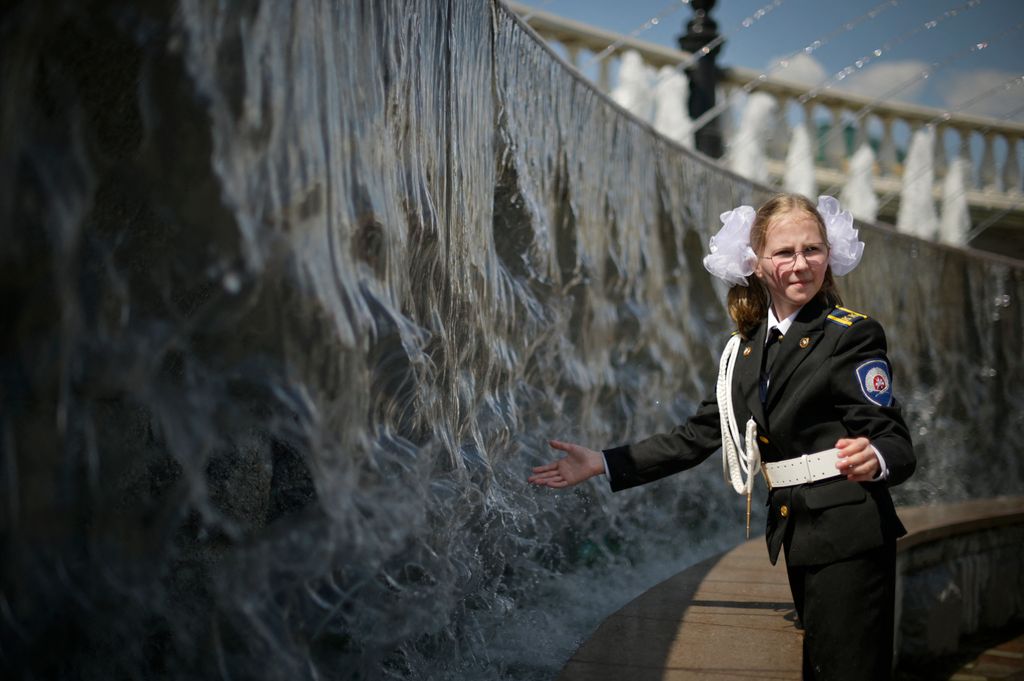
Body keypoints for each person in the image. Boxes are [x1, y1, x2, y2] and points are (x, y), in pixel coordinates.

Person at [528, 193, 915, 681]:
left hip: (851, 533)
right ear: (755, 263)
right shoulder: (745, 349)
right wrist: (603, 462)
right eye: (785, 253)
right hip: (800, 531)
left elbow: (895, 441)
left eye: (813, 250)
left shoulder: (849, 334)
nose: (801, 265)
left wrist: (874, 455)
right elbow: (698, 435)